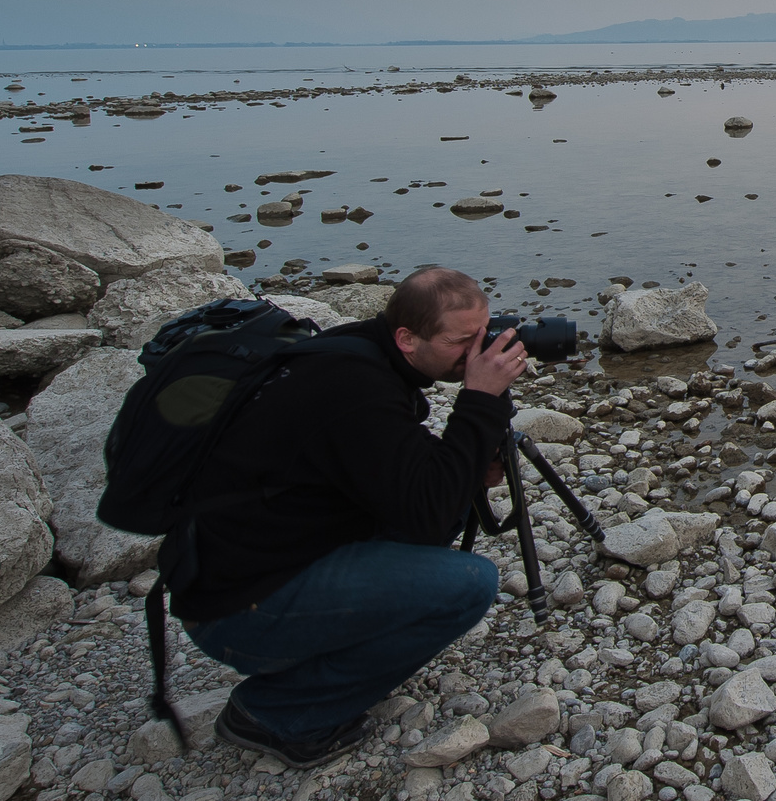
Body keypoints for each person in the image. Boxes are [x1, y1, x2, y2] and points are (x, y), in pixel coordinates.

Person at [170, 266, 528, 767]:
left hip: (251, 565)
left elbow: (413, 480)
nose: (478, 353)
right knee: (469, 584)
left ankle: (338, 652)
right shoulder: (355, 389)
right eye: (462, 341)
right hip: (236, 614)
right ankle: (276, 712)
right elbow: (423, 507)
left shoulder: (359, 353)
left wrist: (467, 459)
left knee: (444, 500)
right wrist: (478, 401)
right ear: (407, 337)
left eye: (483, 334)